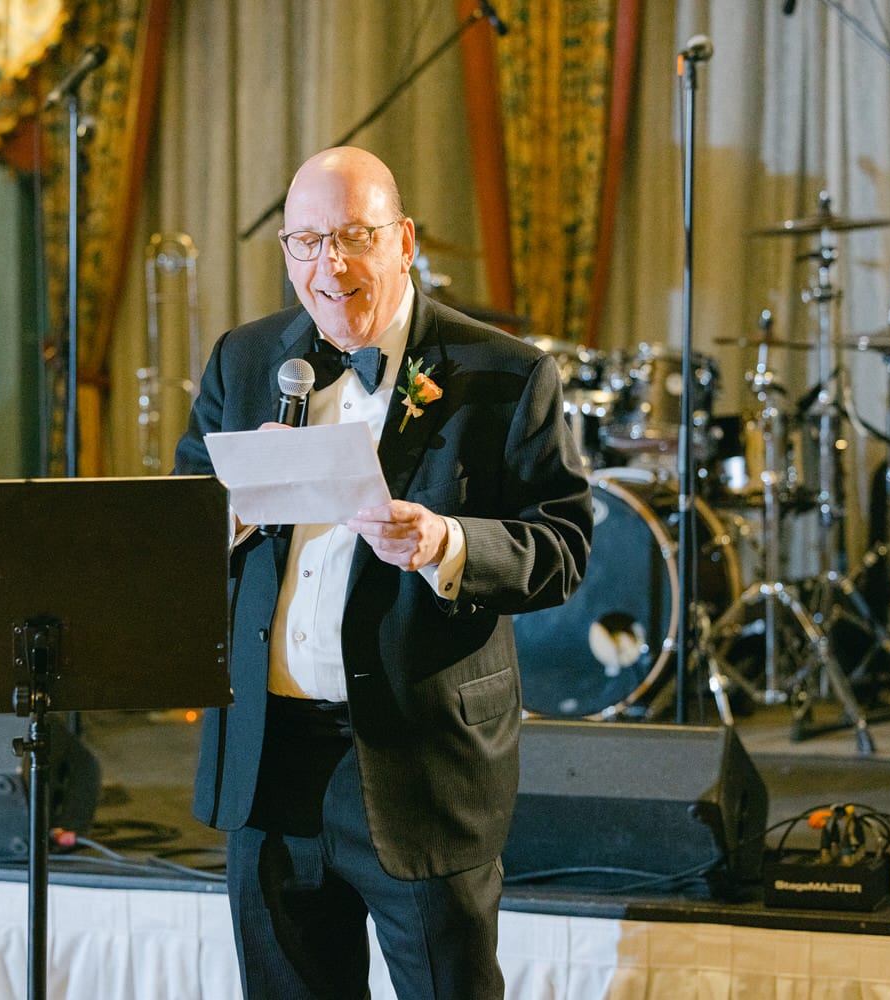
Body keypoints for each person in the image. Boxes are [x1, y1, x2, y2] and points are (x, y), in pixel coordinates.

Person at [173, 146, 594, 999]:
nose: (330, 265)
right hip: (269, 765)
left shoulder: (506, 373)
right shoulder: (245, 361)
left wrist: (447, 546)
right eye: (306, 243)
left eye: (353, 236)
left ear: (403, 241)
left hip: (417, 764)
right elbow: (171, 535)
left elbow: (564, 546)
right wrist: (235, 508)